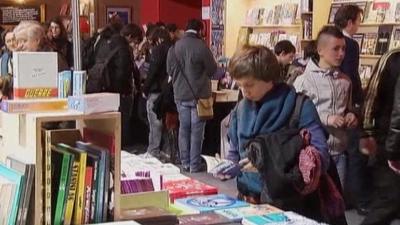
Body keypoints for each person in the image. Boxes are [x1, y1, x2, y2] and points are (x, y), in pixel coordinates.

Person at [219, 45, 337, 221]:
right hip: (247, 202)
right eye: (240, 85)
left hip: (289, 207)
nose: (244, 91)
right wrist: (227, 167)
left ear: (268, 78)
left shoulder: (300, 107)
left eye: (249, 85)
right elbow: (236, 153)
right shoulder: (240, 109)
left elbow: (320, 158)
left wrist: (269, 165)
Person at [294, 26, 357, 188]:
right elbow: (296, 117)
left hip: (339, 152)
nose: (341, 53)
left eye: (343, 49)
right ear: (320, 50)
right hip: (313, 153)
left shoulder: (345, 81)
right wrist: (327, 118)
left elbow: (348, 108)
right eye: (335, 49)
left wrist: (351, 116)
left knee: (337, 202)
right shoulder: (303, 81)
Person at [167, 18, 217, 173]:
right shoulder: (202, 47)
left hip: (180, 94)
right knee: (197, 132)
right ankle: (195, 164)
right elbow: (212, 70)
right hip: (199, 96)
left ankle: (185, 163)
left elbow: (169, 71)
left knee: (183, 129)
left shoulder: (174, 47)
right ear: (200, 30)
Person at [334, 4, 370, 215]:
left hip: (334, 105)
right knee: (356, 153)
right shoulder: (349, 44)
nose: (359, 26)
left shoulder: (331, 39)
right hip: (348, 105)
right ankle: (358, 199)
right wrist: (357, 103)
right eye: (358, 21)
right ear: (350, 22)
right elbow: (351, 76)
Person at [360, 48, 400, 225]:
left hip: (391, 142)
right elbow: (372, 97)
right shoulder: (392, 58)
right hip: (388, 142)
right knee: (387, 201)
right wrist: (367, 132)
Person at [90, 20, 134, 148]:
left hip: (102, 87)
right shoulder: (123, 47)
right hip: (118, 90)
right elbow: (122, 71)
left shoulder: (101, 42)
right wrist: (124, 90)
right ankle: (122, 148)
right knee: (122, 121)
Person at [142, 27, 173, 158]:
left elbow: (152, 72)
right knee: (166, 124)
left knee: (154, 123)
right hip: (169, 91)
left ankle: (153, 151)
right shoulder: (173, 49)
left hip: (155, 91)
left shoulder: (158, 50)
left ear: (158, 39)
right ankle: (167, 151)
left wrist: (145, 89)